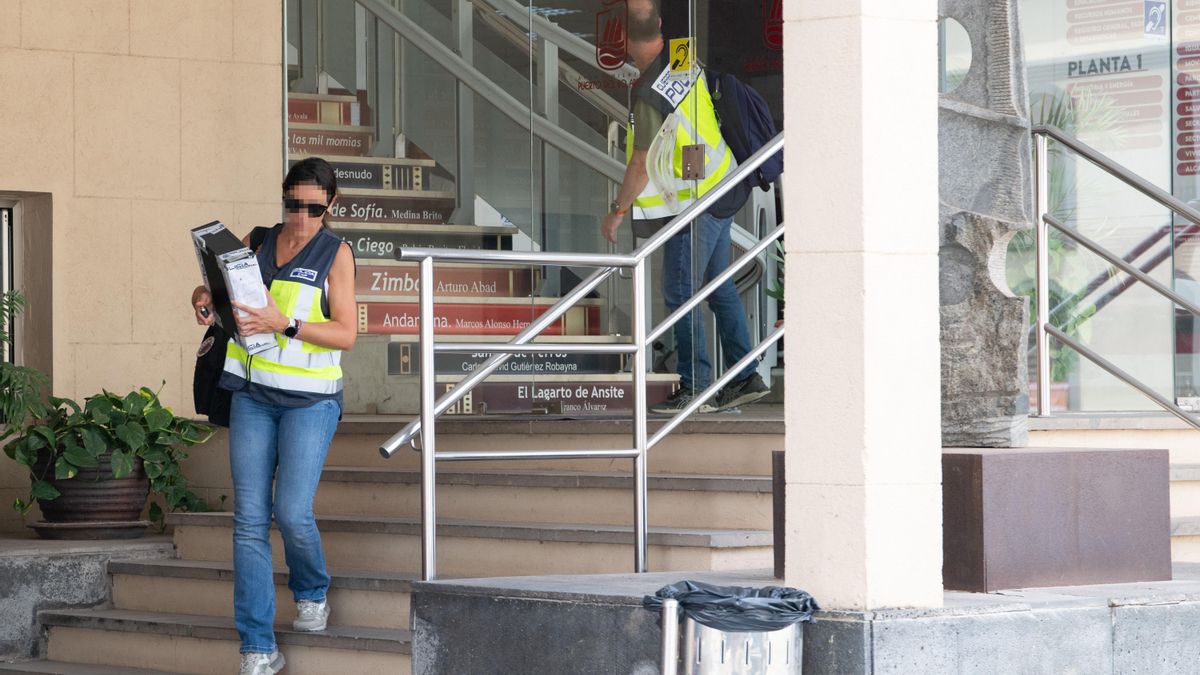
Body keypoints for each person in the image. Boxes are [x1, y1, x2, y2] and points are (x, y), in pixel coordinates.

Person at [190, 157, 357, 675]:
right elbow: (224, 293)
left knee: (291, 513)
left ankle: (311, 590)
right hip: (253, 396)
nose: (301, 216)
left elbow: (347, 334)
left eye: (314, 207)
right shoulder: (257, 240)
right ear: (282, 198)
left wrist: (287, 325)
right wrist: (204, 298)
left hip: (311, 402)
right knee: (248, 522)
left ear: (330, 205)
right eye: (293, 204)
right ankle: (257, 647)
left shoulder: (337, 253)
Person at [601, 0, 769, 414]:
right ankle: (745, 376)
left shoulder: (649, 92)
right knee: (718, 286)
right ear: (660, 26)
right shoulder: (683, 64)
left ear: (622, 42)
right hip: (723, 186)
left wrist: (617, 211)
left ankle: (696, 386)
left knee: (680, 290)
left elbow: (640, 164)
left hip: (700, 203)